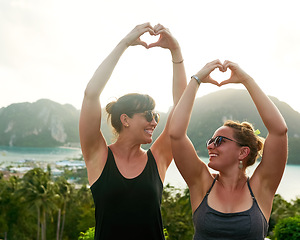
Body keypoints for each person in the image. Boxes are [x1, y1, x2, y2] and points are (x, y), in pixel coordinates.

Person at [79, 23, 186, 240]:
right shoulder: (99, 156)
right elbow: (91, 94)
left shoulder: (158, 158)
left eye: (156, 116)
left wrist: (176, 52)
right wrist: (125, 43)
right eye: (148, 115)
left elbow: (182, 104)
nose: (154, 122)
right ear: (125, 119)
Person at [169, 59, 288, 240]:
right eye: (211, 140)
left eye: (219, 140)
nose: (210, 145)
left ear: (242, 152)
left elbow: (279, 131)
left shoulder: (261, 187)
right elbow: (176, 134)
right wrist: (196, 79)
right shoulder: (201, 182)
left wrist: (246, 79)